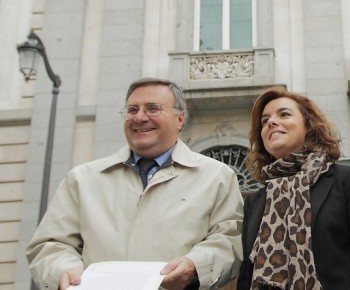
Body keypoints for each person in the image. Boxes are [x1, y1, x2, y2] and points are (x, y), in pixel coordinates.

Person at [26, 78, 244, 290]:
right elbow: (51, 245)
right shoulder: (82, 179)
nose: (140, 117)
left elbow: (230, 241)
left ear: (180, 119)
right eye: (132, 110)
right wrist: (64, 272)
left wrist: (195, 265)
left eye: (152, 108)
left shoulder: (217, 177)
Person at [237, 86, 350, 290]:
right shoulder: (256, 201)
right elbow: (246, 275)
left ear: (308, 126)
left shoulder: (346, 180)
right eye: (264, 122)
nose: (271, 123)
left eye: (284, 114)